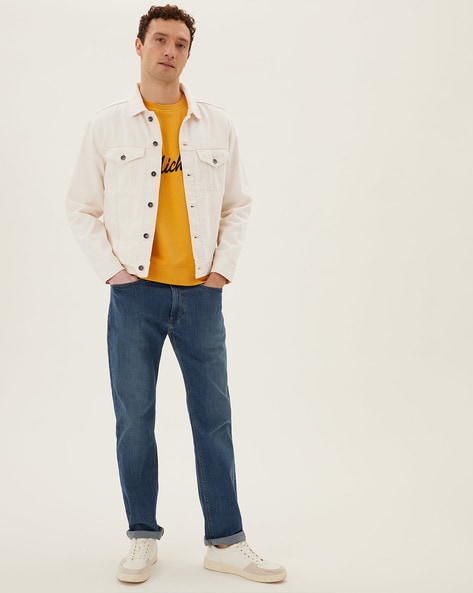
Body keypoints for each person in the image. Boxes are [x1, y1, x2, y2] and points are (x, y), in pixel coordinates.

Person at [66, 4, 286, 585]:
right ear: (138, 45)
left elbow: (239, 204)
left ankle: (226, 541)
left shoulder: (217, 125)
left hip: (200, 297)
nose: (170, 50)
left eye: (180, 43)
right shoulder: (106, 125)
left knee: (214, 419)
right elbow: (80, 206)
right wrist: (113, 272)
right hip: (133, 296)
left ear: (189, 54)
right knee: (134, 418)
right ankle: (142, 536)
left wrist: (220, 271)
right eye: (160, 39)